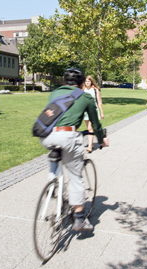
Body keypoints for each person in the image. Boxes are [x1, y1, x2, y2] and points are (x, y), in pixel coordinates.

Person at [39, 67, 109, 231]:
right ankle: (79, 219)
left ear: (64, 81)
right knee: (76, 177)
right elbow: (96, 123)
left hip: (46, 135)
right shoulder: (85, 97)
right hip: (68, 136)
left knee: (56, 154)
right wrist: (101, 139)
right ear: (80, 83)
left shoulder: (54, 93)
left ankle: (52, 181)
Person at [83, 75, 104, 153]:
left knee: (90, 128)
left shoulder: (95, 90)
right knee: (89, 129)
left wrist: (101, 112)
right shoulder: (83, 90)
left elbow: (99, 102)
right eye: (86, 81)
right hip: (85, 112)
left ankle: (90, 146)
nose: (87, 82)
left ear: (91, 82)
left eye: (88, 81)